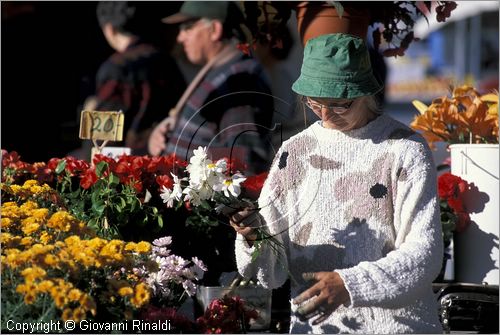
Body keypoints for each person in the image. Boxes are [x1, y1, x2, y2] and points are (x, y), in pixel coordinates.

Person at [230, 33, 443, 333]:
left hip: (397, 328)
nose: (326, 114)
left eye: (340, 104)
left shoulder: (404, 148)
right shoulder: (294, 152)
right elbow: (271, 271)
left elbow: (425, 255)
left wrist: (349, 284)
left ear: (367, 93)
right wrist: (254, 235)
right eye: (314, 104)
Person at [148, 1, 274, 175]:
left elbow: (245, 162)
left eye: (187, 27)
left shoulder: (238, 82)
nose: (180, 37)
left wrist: (184, 156)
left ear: (215, 29)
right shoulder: (225, 71)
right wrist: (168, 136)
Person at [92, 1, 185, 155]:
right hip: (169, 155)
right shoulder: (165, 58)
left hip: (129, 164)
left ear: (109, 29)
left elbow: (102, 138)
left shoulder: (116, 67)